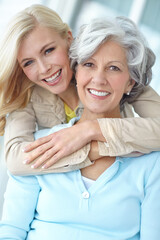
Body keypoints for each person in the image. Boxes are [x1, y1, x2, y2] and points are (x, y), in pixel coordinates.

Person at [0, 16, 160, 240]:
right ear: (78, 70)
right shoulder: (38, 140)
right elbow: (11, 231)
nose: (99, 78)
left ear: (130, 83)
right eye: (89, 64)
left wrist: (90, 131)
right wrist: (93, 148)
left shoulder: (150, 161)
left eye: (113, 68)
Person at [0, 4, 160, 176]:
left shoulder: (107, 69)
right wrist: (95, 149)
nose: (44, 68)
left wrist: (89, 130)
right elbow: (17, 160)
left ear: (69, 38)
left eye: (48, 50)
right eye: (28, 62)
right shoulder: (26, 93)